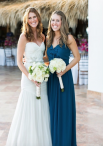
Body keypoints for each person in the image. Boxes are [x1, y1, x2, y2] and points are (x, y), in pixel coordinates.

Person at [6, 7, 52, 146]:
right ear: (27, 20)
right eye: (30, 18)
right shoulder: (23, 37)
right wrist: (30, 76)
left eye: (34, 17)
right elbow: (19, 61)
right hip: (28, 77)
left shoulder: (43, 36)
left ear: (38, 18)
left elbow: (44, 57)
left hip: (42, 77)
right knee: (29, 108)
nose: (33, 20)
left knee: (42, 107)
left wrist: (49, 66)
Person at [44, 10, 80, 146]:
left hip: (64, 80)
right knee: (52, 112)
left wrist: (65, 69)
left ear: (62, 22)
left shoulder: (68, 38)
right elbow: (48, 57)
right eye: (52, 20)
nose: (54, 23)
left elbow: (77, 57)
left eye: (57, 20)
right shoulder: (48, 38)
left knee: (64, 113)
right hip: (52, 81)